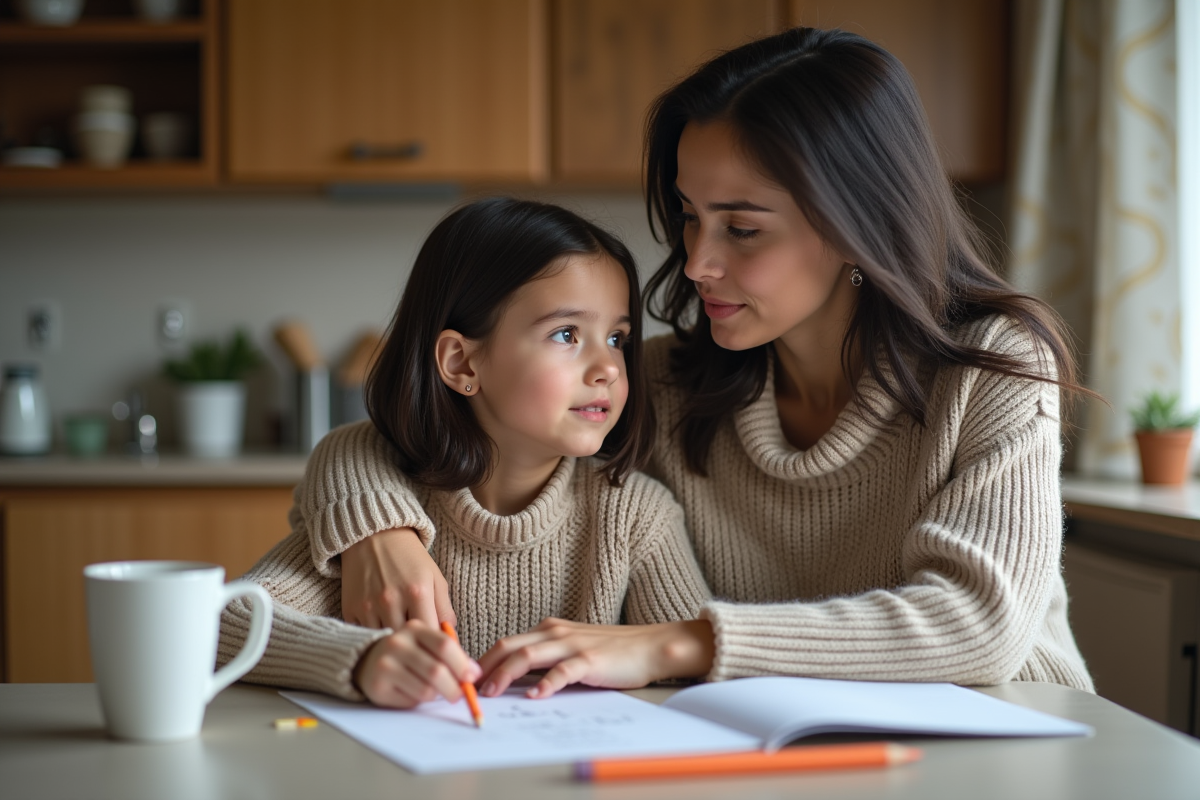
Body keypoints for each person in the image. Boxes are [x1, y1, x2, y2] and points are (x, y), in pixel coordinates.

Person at [311, 27, 1095, 699]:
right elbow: (424, 427)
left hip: (1006, 743)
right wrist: (381, 528)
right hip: (772, 751)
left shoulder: (993, 369)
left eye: (742, 229)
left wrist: (674, 643)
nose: (696, 263)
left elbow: (978, 626)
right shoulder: (666, 382)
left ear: (859, 224)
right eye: (689, 217)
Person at [218, 197, 710, 708]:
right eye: (566, 334)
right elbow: (225, 626)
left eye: (616, 337)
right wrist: (358, 659)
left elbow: (699, 665)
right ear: (462, 363)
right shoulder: (388, 518)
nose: (608, 366)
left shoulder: (636, 516)